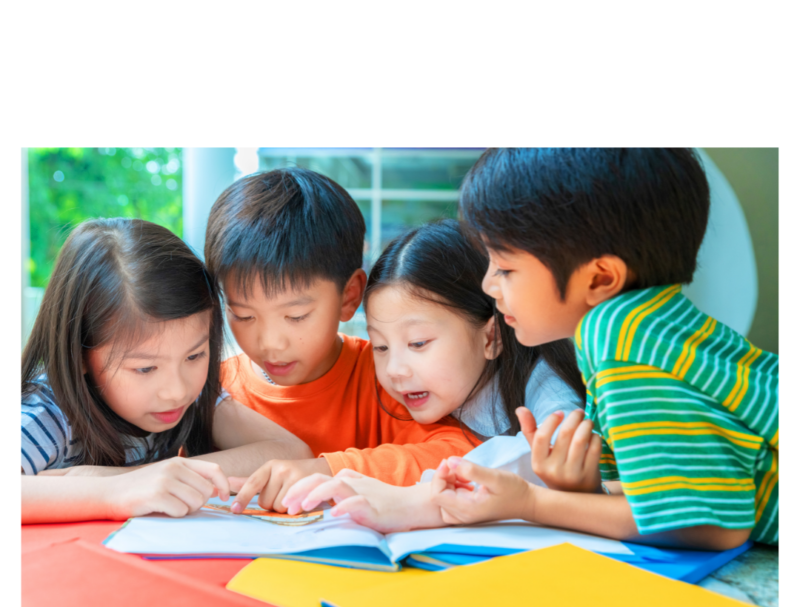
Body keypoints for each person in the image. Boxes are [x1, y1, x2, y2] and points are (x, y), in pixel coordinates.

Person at [285, 148, 780, 551]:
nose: (490, 287)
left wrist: (527, 502)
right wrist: (581, 494)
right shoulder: (648, 323)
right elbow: (677, 492)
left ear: (600, 277)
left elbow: (714, 525)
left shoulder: (618, 337)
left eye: (505, 268)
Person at [205, 170, 478, 513]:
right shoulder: (212, 389)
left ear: (349, 296)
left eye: (296, 317)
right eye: (244, 316)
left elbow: (461, 453)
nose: (270, 343)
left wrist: (326, 470)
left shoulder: (386, 376)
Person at [20, 218, 311, 525]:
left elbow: (292, 451)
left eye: (195, 355)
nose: (177, 390)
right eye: (145, 368)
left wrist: (141, 477)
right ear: (79, 353)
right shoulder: (47, 416)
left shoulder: (192, 398)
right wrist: (113, 491)